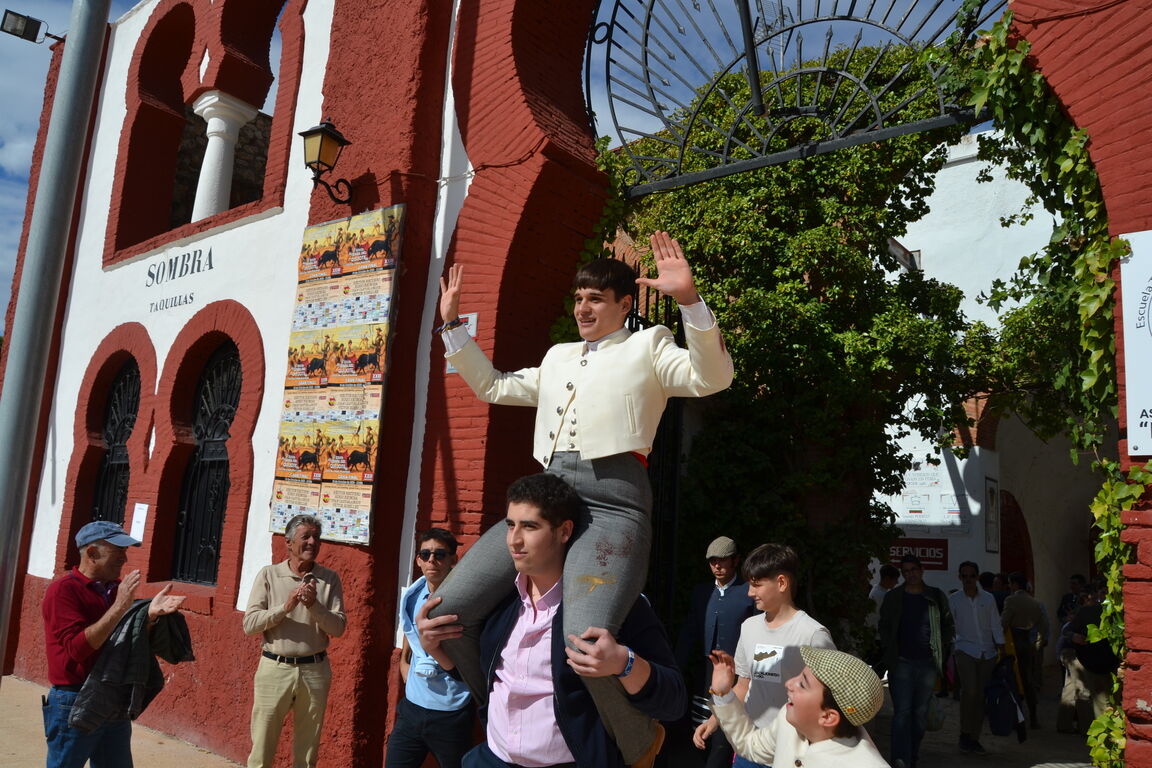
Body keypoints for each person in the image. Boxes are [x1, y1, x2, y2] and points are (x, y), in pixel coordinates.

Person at [432, 231, 733, 762]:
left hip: (614, 504)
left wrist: (689, 300)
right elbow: (493, 387)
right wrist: (452, 327)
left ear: (624, 304)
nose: (583, 307)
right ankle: (494, 706)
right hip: (549, 500)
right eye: (578, 297)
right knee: (445, 611)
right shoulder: (559, 356)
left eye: (596, 298)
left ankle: (637, 739)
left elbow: (712, 377)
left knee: (584, 640)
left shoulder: (649, 345)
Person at [416, 473, 686, 768]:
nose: (514, 540)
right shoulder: (498, 604)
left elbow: (674, 701)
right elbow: (494, 680)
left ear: (564, 531)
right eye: (510, 525)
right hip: (493, 759)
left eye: (530, 526)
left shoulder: (614, 608)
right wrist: (436, 650)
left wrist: (624, 663)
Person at [42, 520, 187, 768]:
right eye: (118, 551)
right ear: (92, 553)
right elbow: (77, 649)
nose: (124, 559)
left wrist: (150, 616)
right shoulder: (63, 591)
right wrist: (120, 606)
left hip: (112, 696)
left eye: (125, 551)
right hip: (74, 699)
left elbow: (125, 639)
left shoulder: (116, 589)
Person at [694, 543, 836, 768]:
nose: (750, 593)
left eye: (756, 585)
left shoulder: (812, 635)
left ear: (781, 583)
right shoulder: (749, 627)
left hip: (793, 754)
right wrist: (714, 721)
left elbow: (831, 699)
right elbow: (743, 685)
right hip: (750, 747)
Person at [243, 514, 347, 768]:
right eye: (306, 537)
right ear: (288, 543)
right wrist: (285, 607)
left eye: (317, 538)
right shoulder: (269, 575)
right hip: (274, 668)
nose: (312, 542)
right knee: (262, 746)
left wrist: (314, 606)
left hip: (315, 670)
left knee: (308, 750)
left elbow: (338, 628)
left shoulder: (329, 579)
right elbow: (250, 624)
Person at [706, 646, 888, 767]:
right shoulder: (790, 722)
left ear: (828, 717)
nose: (789, 683)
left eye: (803, 684)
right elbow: (751, 745)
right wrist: (723, 694)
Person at [387, 528, 473, 768]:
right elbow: (409, 629)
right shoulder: (414, 594)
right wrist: (404, 663)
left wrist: (433, 649)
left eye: (440, 554)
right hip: (412, 707)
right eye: (425, 554)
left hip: (451, 710)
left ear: (453, 559)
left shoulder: (463, 601)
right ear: (418, 560)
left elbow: (467, 661)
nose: (431, 560)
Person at [676, 536, 758, 768]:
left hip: (736, 674)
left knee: (724, 737)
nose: (717, 566)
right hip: (705, 674)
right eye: (712, 561)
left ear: (736, 560)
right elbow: (690, 632)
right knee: (699, 732)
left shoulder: (748, 592)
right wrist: (677, 666)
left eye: (723, 560)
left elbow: (756, 636)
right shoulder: (702, 592)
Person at [878, 554, 955, 768]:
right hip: (901, 662)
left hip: (927, 663)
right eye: (906, 571)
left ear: (921, 570)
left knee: (920, 715)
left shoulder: (935, 596)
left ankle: (912, 755)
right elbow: (884, 625)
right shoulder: (894, 597)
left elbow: (948, 624)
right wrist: (888, 647)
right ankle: (900, 759)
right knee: (902, 713)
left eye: (913, 569)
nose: (910, 574)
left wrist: (941, 647)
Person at [947, 560, 1004, 754]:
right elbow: (950, 624)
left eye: (972, 575)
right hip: (965, 650)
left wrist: (1001, 646)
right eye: (964, 575)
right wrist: (953, 645)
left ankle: (974, 737)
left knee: (980, 696)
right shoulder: (954, 599)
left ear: (977, 577)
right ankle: (965, 733)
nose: (968, 579)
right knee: (970, 691)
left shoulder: (988, 598)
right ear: (959, 577)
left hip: (987, 652)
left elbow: (995, 623)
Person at [1062, 577, 1118, 729]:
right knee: (1099, 700)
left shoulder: (1119, 613)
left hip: (1111, 663)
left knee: (1107, 701)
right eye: (1103, 592)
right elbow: (1067, 630)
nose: (1105, 596)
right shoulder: (1088, 611)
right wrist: (1074, 636)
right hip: (1093, 662)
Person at [1000, 571, 1047, 728]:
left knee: (1012, 678)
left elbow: (1003, 623)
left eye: (1010, 583)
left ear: (1014, 584)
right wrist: (1037, 645)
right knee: (1028, 680)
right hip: (1027, 641)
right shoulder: (1035, 602)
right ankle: (1033, 716)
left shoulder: (1011, 600)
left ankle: (1016, 716)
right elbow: (1043, 628)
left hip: (1013, 642)